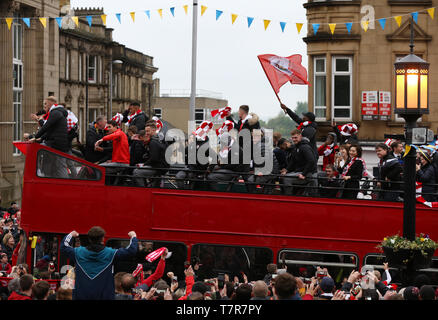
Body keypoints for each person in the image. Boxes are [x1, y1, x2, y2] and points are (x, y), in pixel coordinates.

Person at [60, 226, 138, 300]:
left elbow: (64, 246)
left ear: (89, 239)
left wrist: (71, 235)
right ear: (102, 239)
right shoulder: (111, 253)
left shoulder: (78, 252)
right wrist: (133, 237)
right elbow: (131, 251)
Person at [281, 129, 317, 196]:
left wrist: (303, 174)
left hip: (309, 174)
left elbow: (312, 161)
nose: (294, 139)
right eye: (293, 138)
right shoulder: (296, 147)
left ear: (300, 136)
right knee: (282, 176)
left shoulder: (305, 147)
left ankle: (288, 197)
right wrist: (286, 170)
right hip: (301, 172)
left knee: (286, 178)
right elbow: (293, 161)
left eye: (296, 137)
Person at [132, 121, 168, 187]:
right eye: (146, 131)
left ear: (154, 130)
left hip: (159, 167)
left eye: (148, 131)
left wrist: (144, 164)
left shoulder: (153, 142)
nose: (146, 133)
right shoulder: (158, 139)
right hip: (161, 166)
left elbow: (154, 158)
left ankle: (143, 191)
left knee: (136, 172)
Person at [247, 129, 280, 194]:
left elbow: (267, 160)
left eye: (255, 137)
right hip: (270, 171)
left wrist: (262, 171)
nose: (253, 138)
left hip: (270, 172)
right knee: (250, 179)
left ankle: (253, 197)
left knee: (250, 181)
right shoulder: (260, 144)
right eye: (253, 137)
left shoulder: (261, 146)